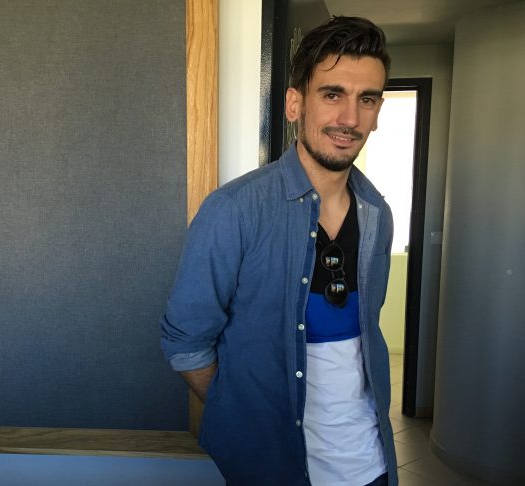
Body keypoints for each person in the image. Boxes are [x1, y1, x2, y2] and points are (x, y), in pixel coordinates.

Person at [160, 16, 398, 486]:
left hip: (371, 465)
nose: (350, 119)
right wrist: (245, 416)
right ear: (294, 104)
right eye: (332, 95)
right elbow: (185, 343)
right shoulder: (235, 210)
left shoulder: (377, 214)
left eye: (366, 99)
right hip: (272, 469)